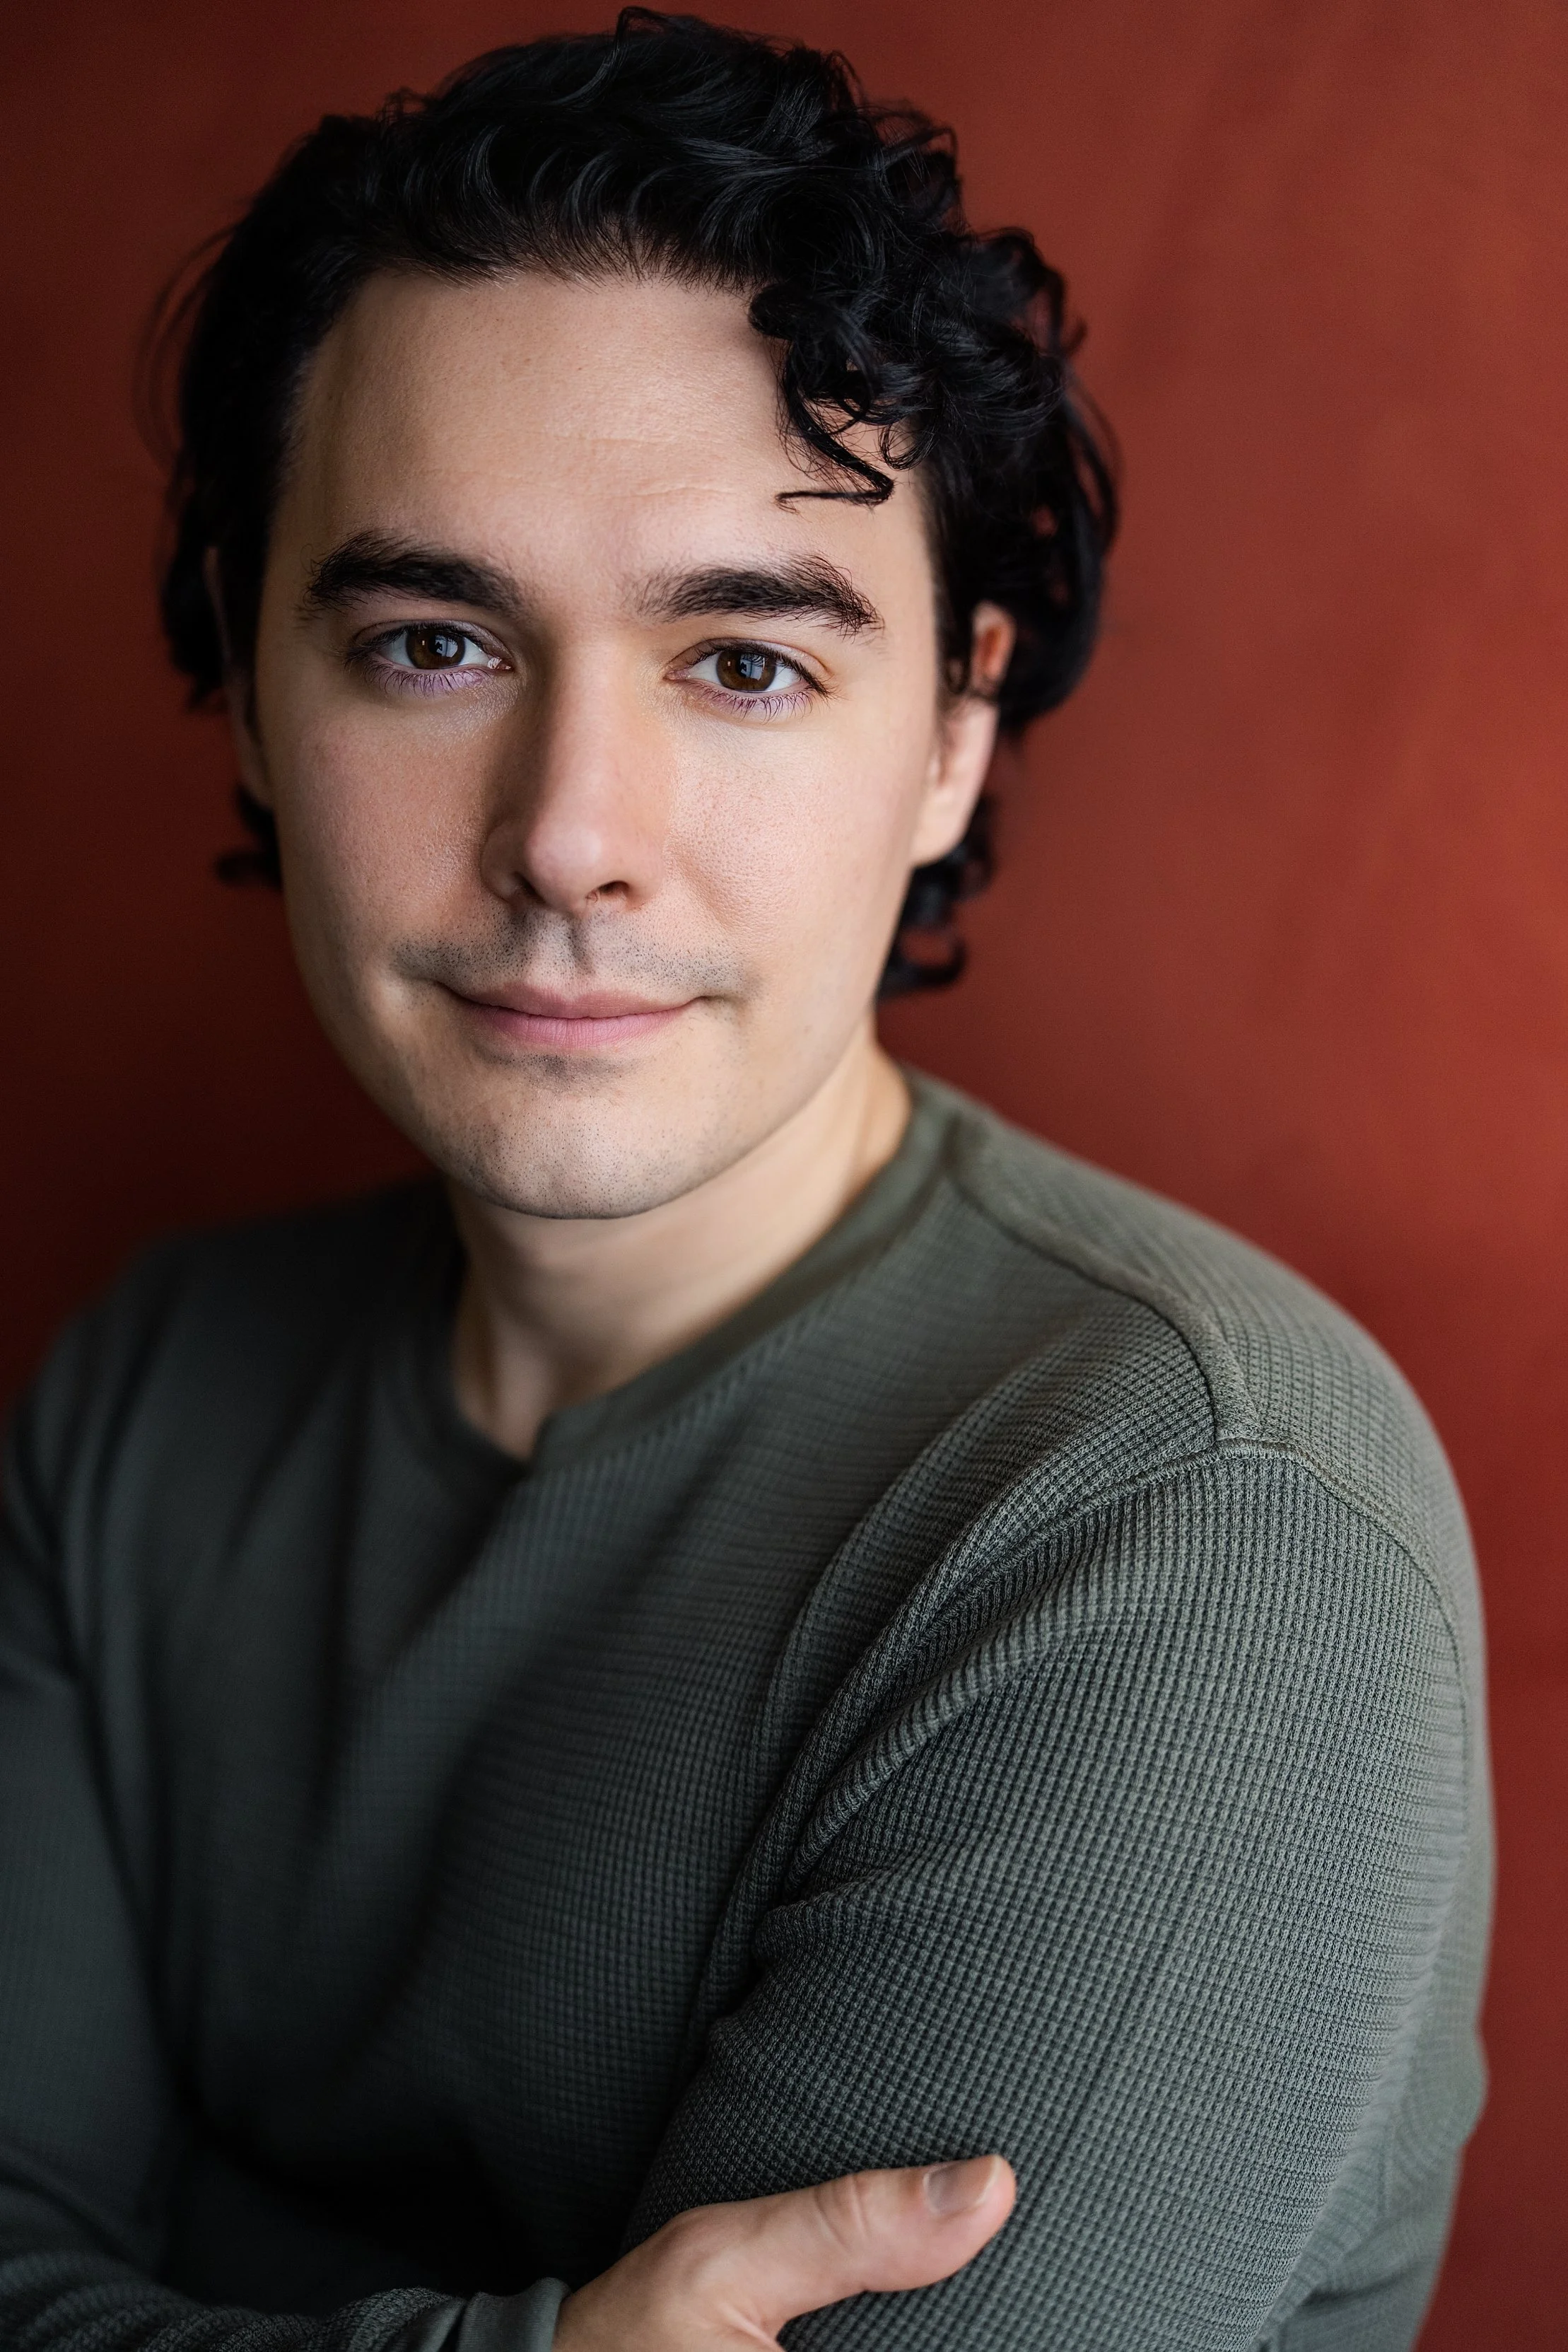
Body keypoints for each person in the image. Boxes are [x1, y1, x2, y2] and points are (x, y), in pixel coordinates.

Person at [0, 13, 1489, 2351]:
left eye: (746, 665)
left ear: (956, 727)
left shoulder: (1194, 1526)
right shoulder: (139, 1395)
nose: (571, 832)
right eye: (430, 641)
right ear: (255, 696)